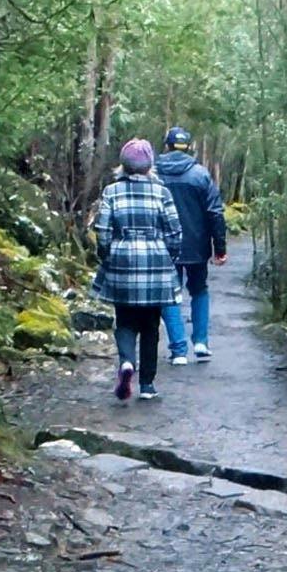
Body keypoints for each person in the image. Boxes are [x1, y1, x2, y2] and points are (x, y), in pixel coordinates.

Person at [91, 138, 183, 401]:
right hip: (155, 261)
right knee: (152, 325)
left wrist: (107, 255)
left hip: (122, 260)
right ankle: (148, 385)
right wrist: (169, 256)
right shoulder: (161, 192)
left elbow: (103, 230)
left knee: (125, 320)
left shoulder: (111, 192)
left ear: (123, 165)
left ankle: (127, 362)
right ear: (149, 165)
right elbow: (175, 231)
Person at [155, 127, 227, 364]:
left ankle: (178, 350)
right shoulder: (200, 174)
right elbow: (215, 212)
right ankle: (201, 342)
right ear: (189, 147)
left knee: (170, 295)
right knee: (199, 290)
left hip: (164, 245)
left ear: (166, 145)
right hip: (197, 246)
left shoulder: (153, 173)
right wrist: (220, 248)